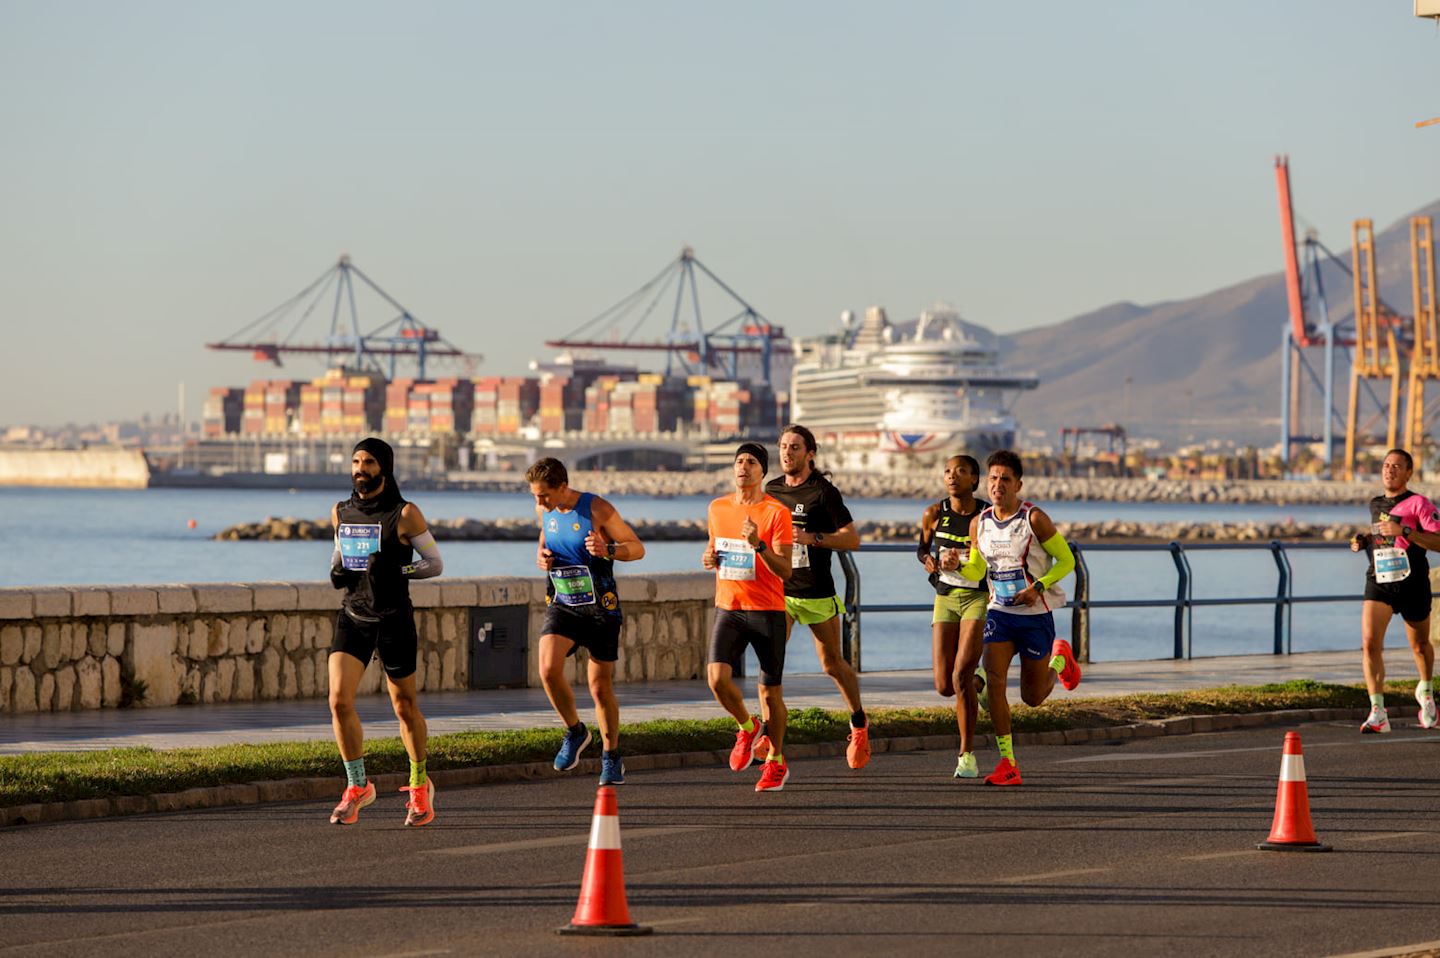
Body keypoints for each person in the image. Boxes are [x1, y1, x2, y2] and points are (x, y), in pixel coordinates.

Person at [327, 437, 444, 826]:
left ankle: (418, 785)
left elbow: (434, 563)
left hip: (394, 620)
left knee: (404, 707)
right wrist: (337, 569)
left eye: (369, 462)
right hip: (354, 616)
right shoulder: (341, 511)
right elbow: (339, 556)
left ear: (385, 468)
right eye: (356, 461)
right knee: (338, 702)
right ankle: (357, 786)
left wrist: (398, 571)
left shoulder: (405, 513)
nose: (361, 469)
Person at [955, 449, 1080, 787]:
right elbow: (979, 569)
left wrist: (1039, 586)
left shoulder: (1034, 519)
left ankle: (1060, 659)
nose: (998, 485)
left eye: (1005, 479)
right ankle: (1008, 763)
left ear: (1018, 484)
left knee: (1033, 697)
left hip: (1035, 615)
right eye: (993, 478)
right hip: (1000, 614)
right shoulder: (978, 523)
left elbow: (1067, 562)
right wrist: (956, 566)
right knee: (994, 680)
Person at [528, 457, 646, 784]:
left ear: (562, 487)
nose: (539, 503)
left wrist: (608, 548)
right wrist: (542, 557)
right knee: (548, 670)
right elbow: (545, 540)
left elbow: (637, 549)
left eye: (544, 496)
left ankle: (611, 755)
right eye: (535, 496)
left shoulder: (596, 508)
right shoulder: (544, 511)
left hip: (600, 609)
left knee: (599, 687)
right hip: (564, 603)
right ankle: (576, 732)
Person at [762, 425, 869, 769]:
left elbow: (852, 540)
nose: (787, 453)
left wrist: (813, 538)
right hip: (781, 591)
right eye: (782, 446)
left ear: (810, 454)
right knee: (771, 664)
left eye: (794, 447)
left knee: (832, 664)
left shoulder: (824, 492)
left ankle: (858, 722)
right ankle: (771, 741)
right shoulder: (772, 489)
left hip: (817, 592)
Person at [703, 442, 796, 792]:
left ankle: (776, 761)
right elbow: (715, 549)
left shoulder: (776, 513)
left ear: (762, 472)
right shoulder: (717, 508)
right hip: (729, 606)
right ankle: (746, 726)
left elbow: (785, 570)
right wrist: (710, 559)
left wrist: (759, 545)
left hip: (767, 610)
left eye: (752, 462)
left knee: (771, 693)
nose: (743, 466)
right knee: (716, 679)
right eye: (739, 461)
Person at [1348, 447, 1440, 733]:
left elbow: (1438, 542)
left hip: (1412, 584)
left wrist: (1407, 533)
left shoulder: (1419, 504)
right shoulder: (1376, 504)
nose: (1390, 470)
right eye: (1387, 465)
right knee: (1369, 643)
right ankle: (1378, 711)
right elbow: (1382, 536)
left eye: (1397, 466)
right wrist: (1364, 540)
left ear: (1409, 472)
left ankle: (1425, 691)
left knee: (1420, 646)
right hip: (1380, 581)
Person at [917, 454, 990, 779]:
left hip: (977, 597)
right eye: (947, 471)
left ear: (974, 479)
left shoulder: (986, 515)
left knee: (960, 676)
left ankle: (966, 755)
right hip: (944, 598)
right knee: (944, 685)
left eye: (960, 471)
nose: (952, 476)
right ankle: (982, 683)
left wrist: (961, 562)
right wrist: (929, 561)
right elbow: (921, 548)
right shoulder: (934, 512)